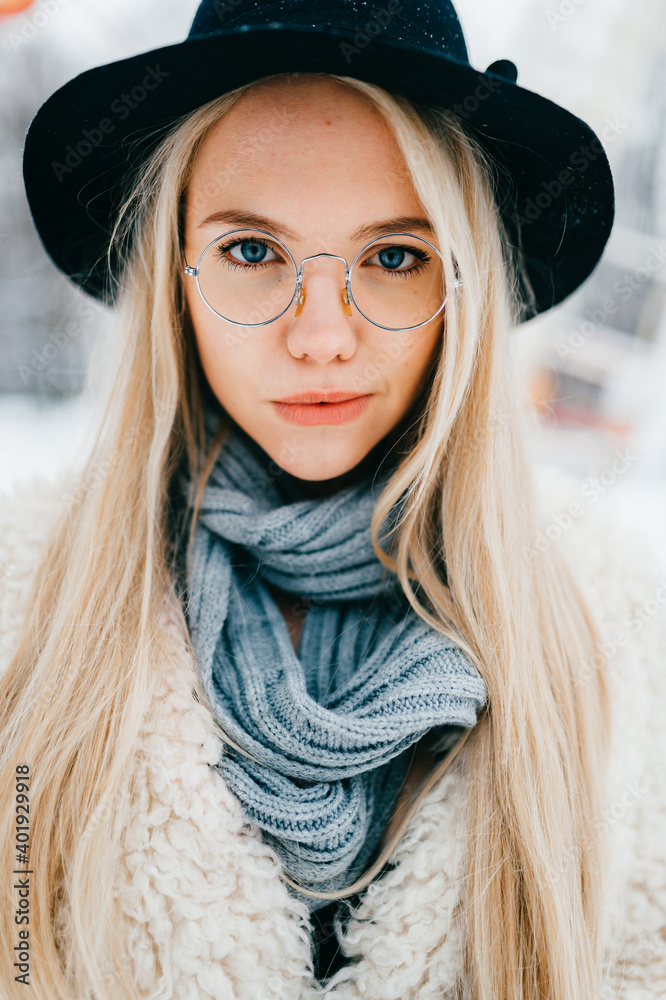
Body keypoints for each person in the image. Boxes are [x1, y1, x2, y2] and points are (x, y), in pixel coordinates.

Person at [1, 1, 665, 997]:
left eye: (393, 257)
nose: (321, 337)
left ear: (463, 281)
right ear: (173, 273)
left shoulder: (629, 635)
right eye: (253, 252)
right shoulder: (20, 602)